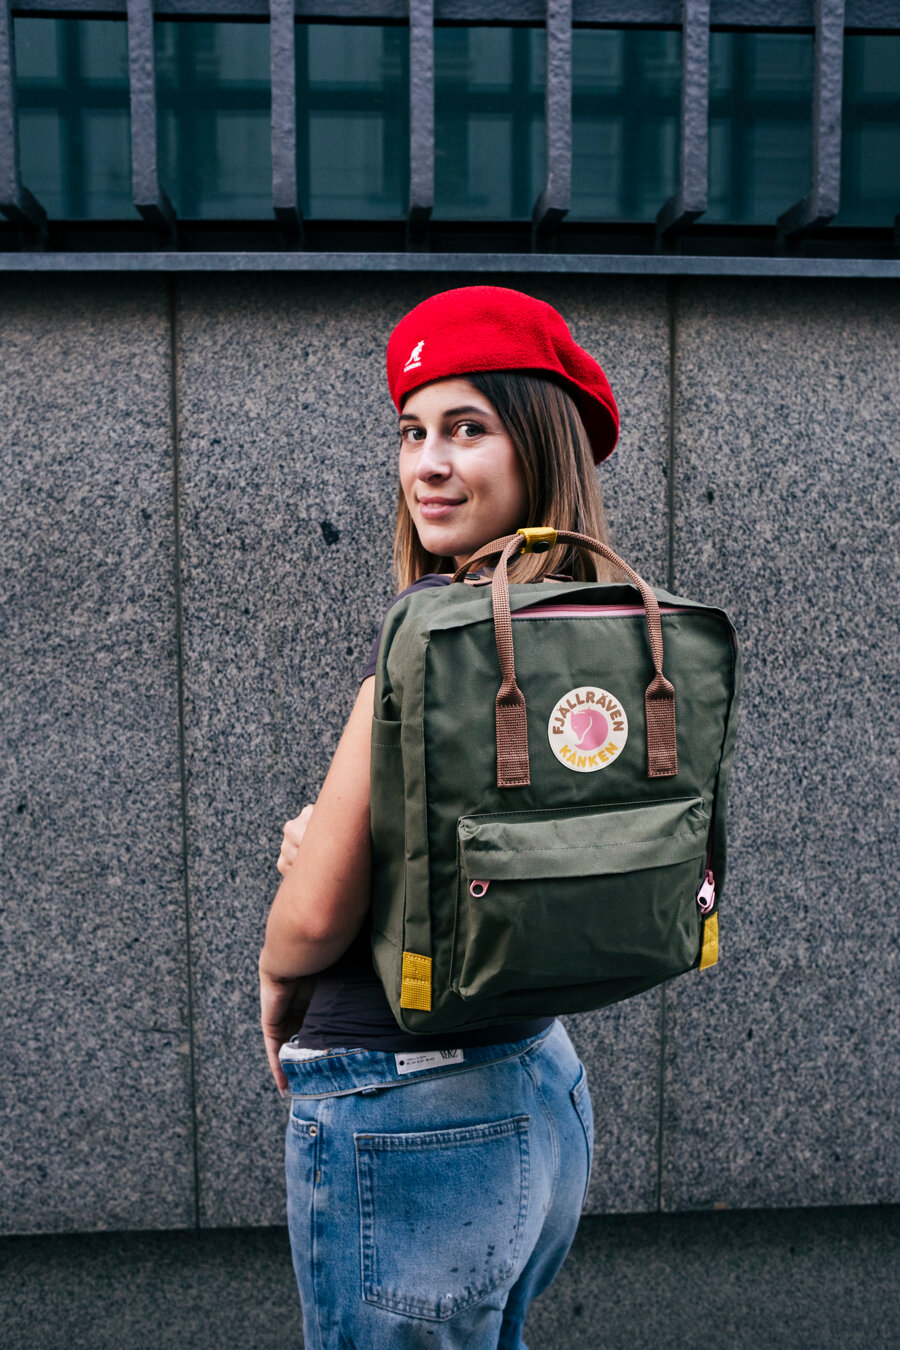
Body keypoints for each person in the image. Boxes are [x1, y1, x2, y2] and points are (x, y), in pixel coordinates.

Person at [258, 285, 621, 1350]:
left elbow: (317, 917)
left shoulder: (432, 641)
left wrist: (280, 973)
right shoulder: (608, 629)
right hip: (540, 1079)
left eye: (467, 429)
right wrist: (341, 842)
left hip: (409, 1105)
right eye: (412, 432)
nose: (427, 463)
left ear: (539, 449)